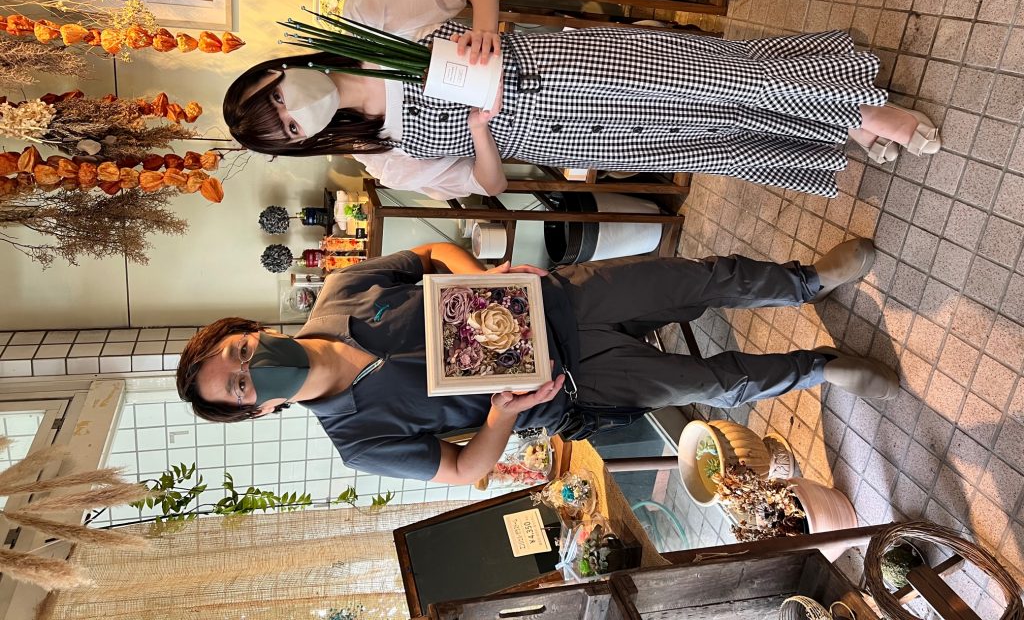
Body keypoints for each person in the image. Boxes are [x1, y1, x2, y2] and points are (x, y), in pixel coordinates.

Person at [222, 0, 941, 200]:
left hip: (567, 65)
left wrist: (483, 26)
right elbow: (489, 186)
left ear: (280, 68)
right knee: (710, 138)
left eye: (277, 96)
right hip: (569, 137)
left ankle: (861, 111)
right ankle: (836, 120)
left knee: (711, 78)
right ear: (300, 144)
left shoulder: (366, 20)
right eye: (286, 128)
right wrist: (480, 133)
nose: (294, 110)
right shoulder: (382, 160)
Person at [176, 238, 899, 484]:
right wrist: (499, 416)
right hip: (564, 384)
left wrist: (482, 277)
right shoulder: (358, 442)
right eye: (240, 387)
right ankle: (818, 367)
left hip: (557, 302)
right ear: (260, 409)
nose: (251, 368)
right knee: (711, 384)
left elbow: (430, 255)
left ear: (251, 330)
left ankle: (807, 282)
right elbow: (465, 469)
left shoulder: (342, 293)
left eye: (240, 351)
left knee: (696, 280)